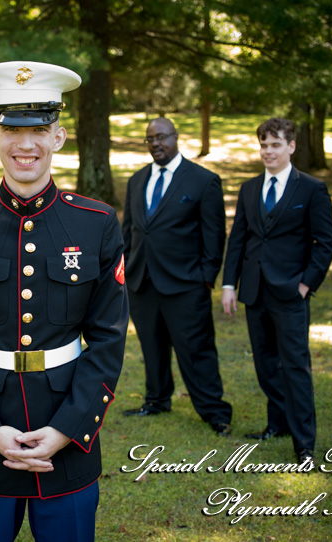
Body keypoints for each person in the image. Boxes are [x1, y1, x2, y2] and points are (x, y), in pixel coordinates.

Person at [0, 61, 128, 542]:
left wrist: (67, 429)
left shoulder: (96, 223)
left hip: (67, 434)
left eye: (39, 128)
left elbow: (107, 339)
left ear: (58, 137)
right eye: (12, 130)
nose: (27, 145)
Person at [221, 117, 332, 465]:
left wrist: (306, 284)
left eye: (274, 145)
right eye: (263, 145)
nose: (267, 151)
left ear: (291, 146)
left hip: (291, 293)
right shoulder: (250, 188)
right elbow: (238, 239)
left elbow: (325, 243)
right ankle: (277, 424)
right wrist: (229, 283)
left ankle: (304, 445)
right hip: (255, 291)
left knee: (295, 367)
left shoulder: (311, 189)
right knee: (265, 365)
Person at [120, 117, 232, 436]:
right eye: (150, 139)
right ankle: (156, 399)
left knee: (195, 349)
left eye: (162, 137)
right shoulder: (137, 180)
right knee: (151, 346)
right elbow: (129, 230)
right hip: (142, 280)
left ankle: (215, 411)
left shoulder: (203, 181)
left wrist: (206, 277)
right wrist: (127, 267)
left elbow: (214, 234)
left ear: (176, 137)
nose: (156, 143)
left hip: (186, 284)